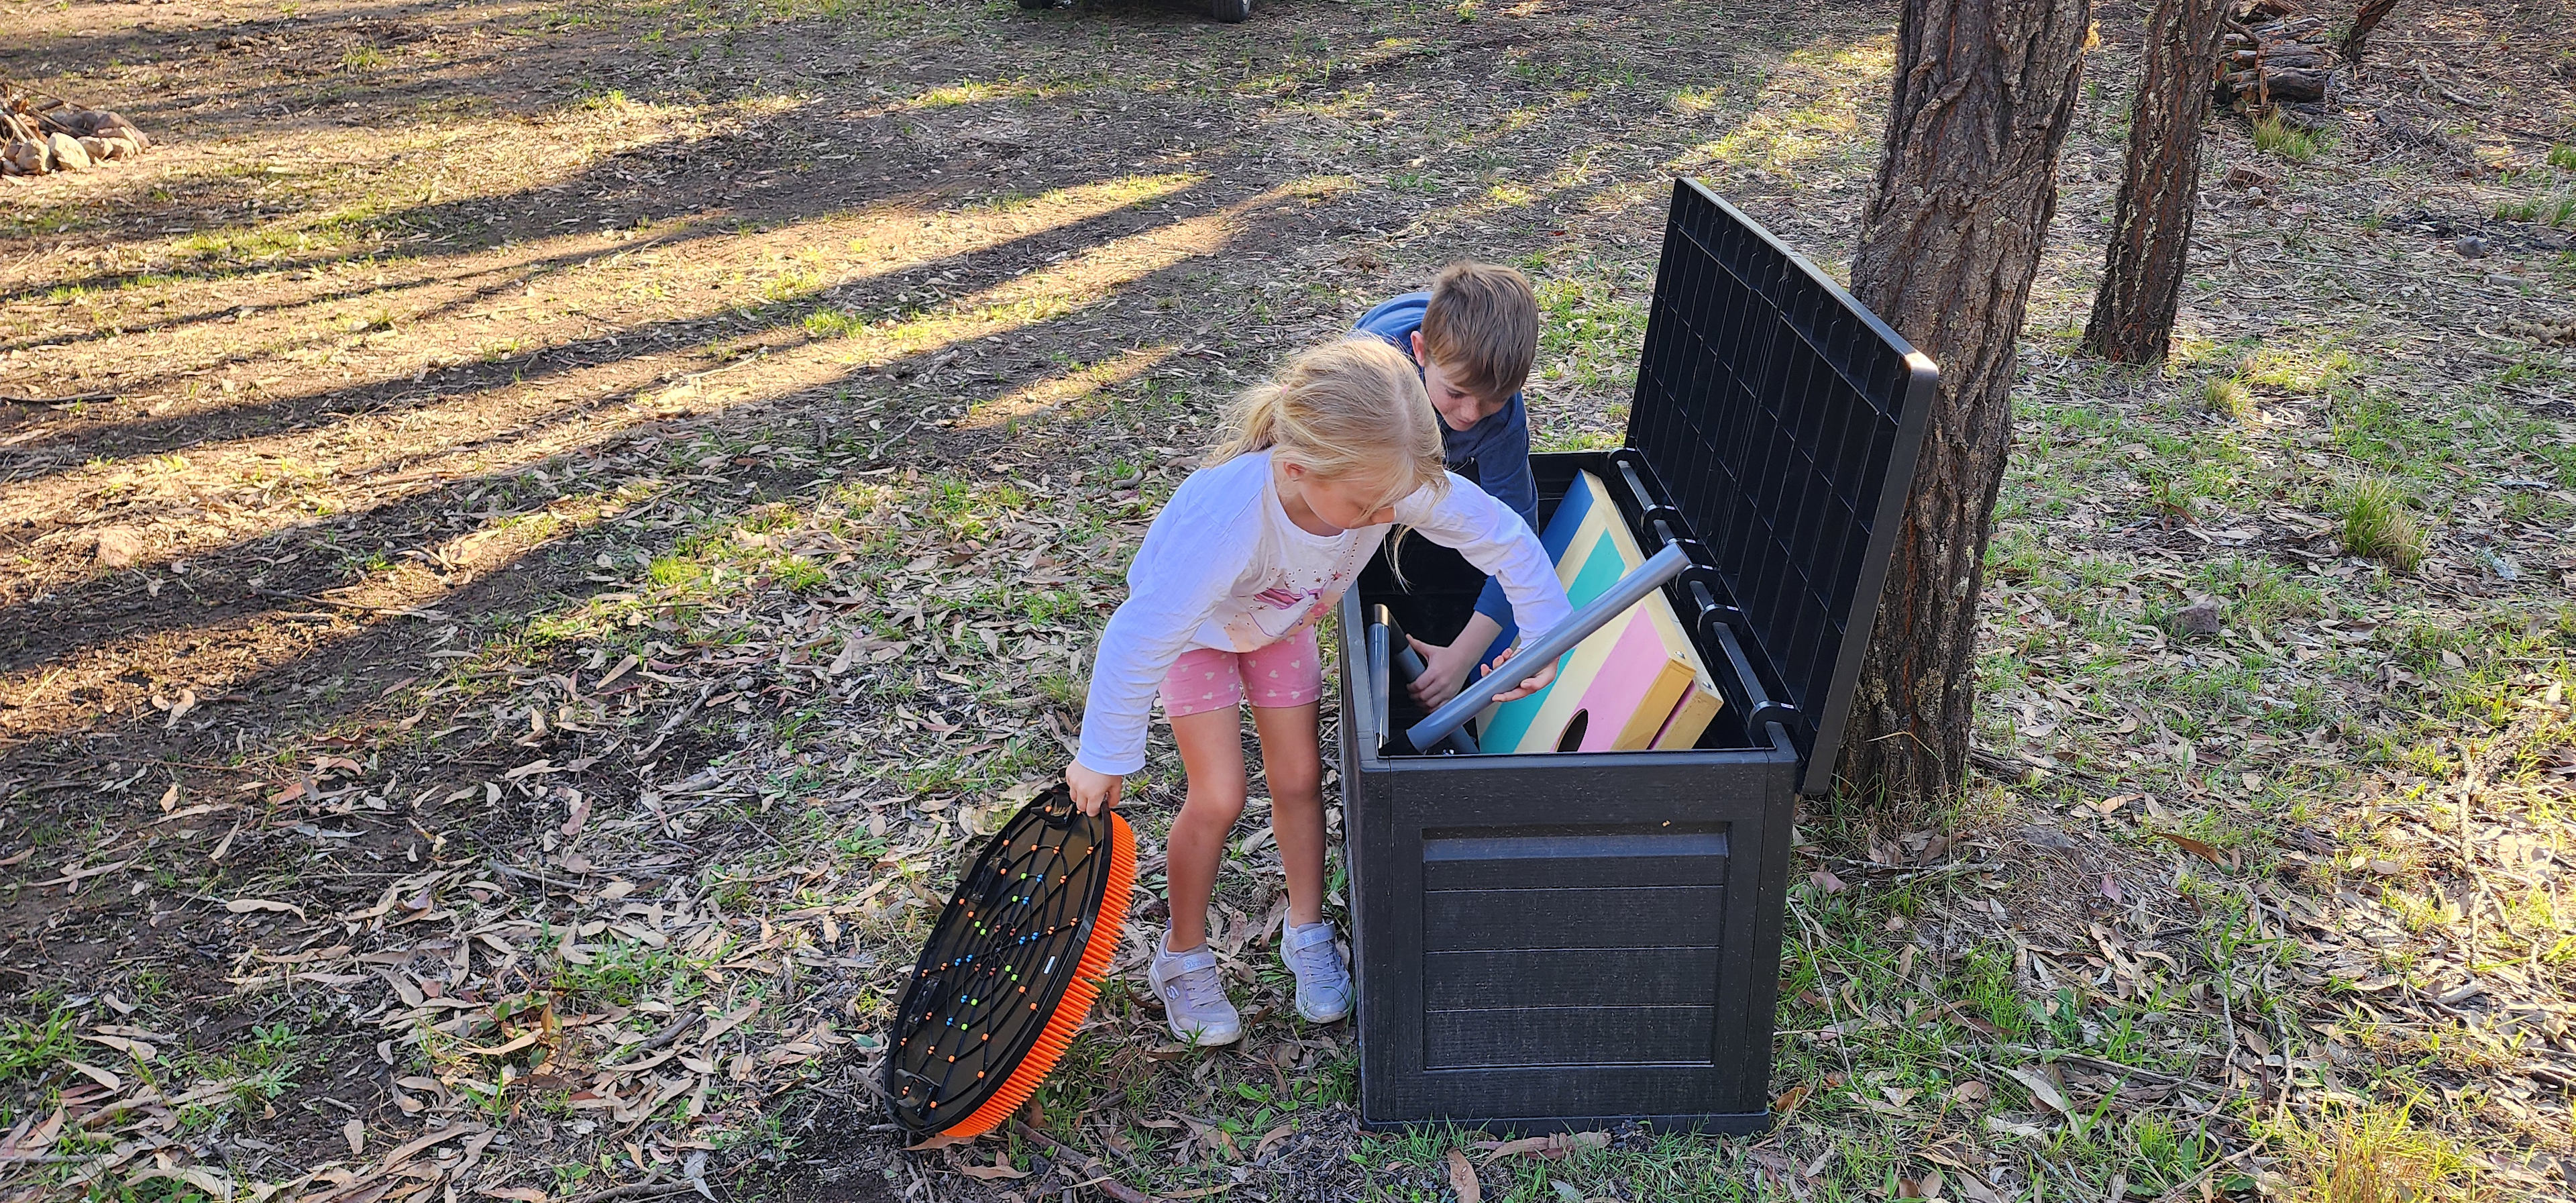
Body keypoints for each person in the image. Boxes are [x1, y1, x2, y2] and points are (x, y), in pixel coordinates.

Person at [1065, 338, 1572, 1046]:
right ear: (1298, 469)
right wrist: (1104, 753)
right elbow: (1140, 635)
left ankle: (1306, 930)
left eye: (1391, 505)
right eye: (1367, 506)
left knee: (1301, 779)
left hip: (1278, 622)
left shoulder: (1386, 479)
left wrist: (1546, 628)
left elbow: (1503, 537)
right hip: (1200, 635)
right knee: (1219, 795)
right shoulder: (1227, 521)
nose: (1381, 516)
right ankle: (1181, 955)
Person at [1352, 262, 1544, 711]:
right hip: (1381, 396)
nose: (1472, 414)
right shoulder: (1368, 373)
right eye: (1457, 393)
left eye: (1493, 399)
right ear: (1421, 351)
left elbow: (1519, 540)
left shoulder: (1503, 418)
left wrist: (1462, 657)